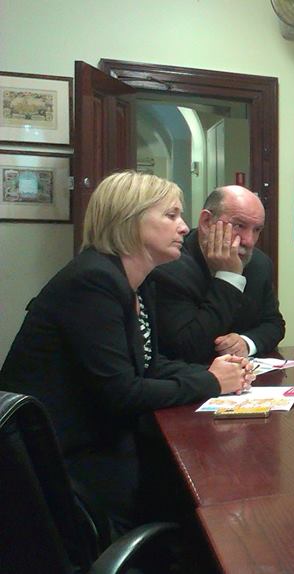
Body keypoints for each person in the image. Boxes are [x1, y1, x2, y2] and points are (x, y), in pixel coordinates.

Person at [0, 171, 255, 532]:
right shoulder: (93, 281)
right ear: (129, 220)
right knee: (194, 495)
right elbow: (122, 392)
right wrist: (212, 383)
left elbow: (149, 364)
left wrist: (212, 374)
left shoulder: (134, 280)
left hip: (97, 442)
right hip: (63, 464)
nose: (184, 228)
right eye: (170, 215)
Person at [151, 185, 285, 363]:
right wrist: (229, 278)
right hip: (190, 380)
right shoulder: (169, 265)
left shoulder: (259, 264)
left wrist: (246, 343)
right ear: (206, 222)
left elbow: (274, 324)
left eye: (257, 230)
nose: (249, 240)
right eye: (239, 226)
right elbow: (186, 348)